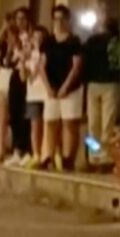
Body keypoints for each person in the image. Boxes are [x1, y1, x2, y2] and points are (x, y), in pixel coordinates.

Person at [41, 5, 83, 172]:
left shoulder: (74, 41)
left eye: (61, 19)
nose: (58, 22)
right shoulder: (48, 41)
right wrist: (48, 87)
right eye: (55, 19)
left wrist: (65, 87)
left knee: (68, 123)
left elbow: (76, 66)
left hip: (70, 88)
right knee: (51, 122)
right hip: (52, 86)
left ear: (67, 20)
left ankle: (67, 158)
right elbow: (41, 66)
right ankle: (49, 156)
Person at [84, 2, 119, 166]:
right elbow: (86, 61)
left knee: (107, 123)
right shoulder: (91, 40)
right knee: (93, 123)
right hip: (93, 83)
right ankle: (94, 156)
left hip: (110, 83)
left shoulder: (115, 39)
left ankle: (105, 157)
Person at [3, 7, 32, 167]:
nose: (19, 22)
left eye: (23, 19)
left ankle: (26, 149)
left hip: (26, 77)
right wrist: (10, 46)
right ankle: (16, 150)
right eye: (17, 19)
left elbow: (27, 56)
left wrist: (19, 45)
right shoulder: (13, 38)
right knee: (14, 114)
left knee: (24, 114)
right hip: (14, 76)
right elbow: (7, 62)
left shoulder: (29, 38)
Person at [22, 26, 50, 169]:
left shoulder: (46, 54)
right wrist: (22, 60)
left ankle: (46, 154)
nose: (37, 40)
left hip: (45, 93)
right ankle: (36, 154)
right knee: (35, 125)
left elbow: (41, 68)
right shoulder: (29, 55)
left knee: (46, 125)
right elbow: (23, 76)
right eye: (35, 37)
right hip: (32, 94)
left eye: (40, 38)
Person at [0, 12, 17, 162]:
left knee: (14, 116)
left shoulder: (22, 39)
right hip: (4, 76)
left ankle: (14, 147)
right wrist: (3, 30)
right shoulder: (2, 43)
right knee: (2, 117)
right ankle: (1, 149)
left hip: (16, 75)